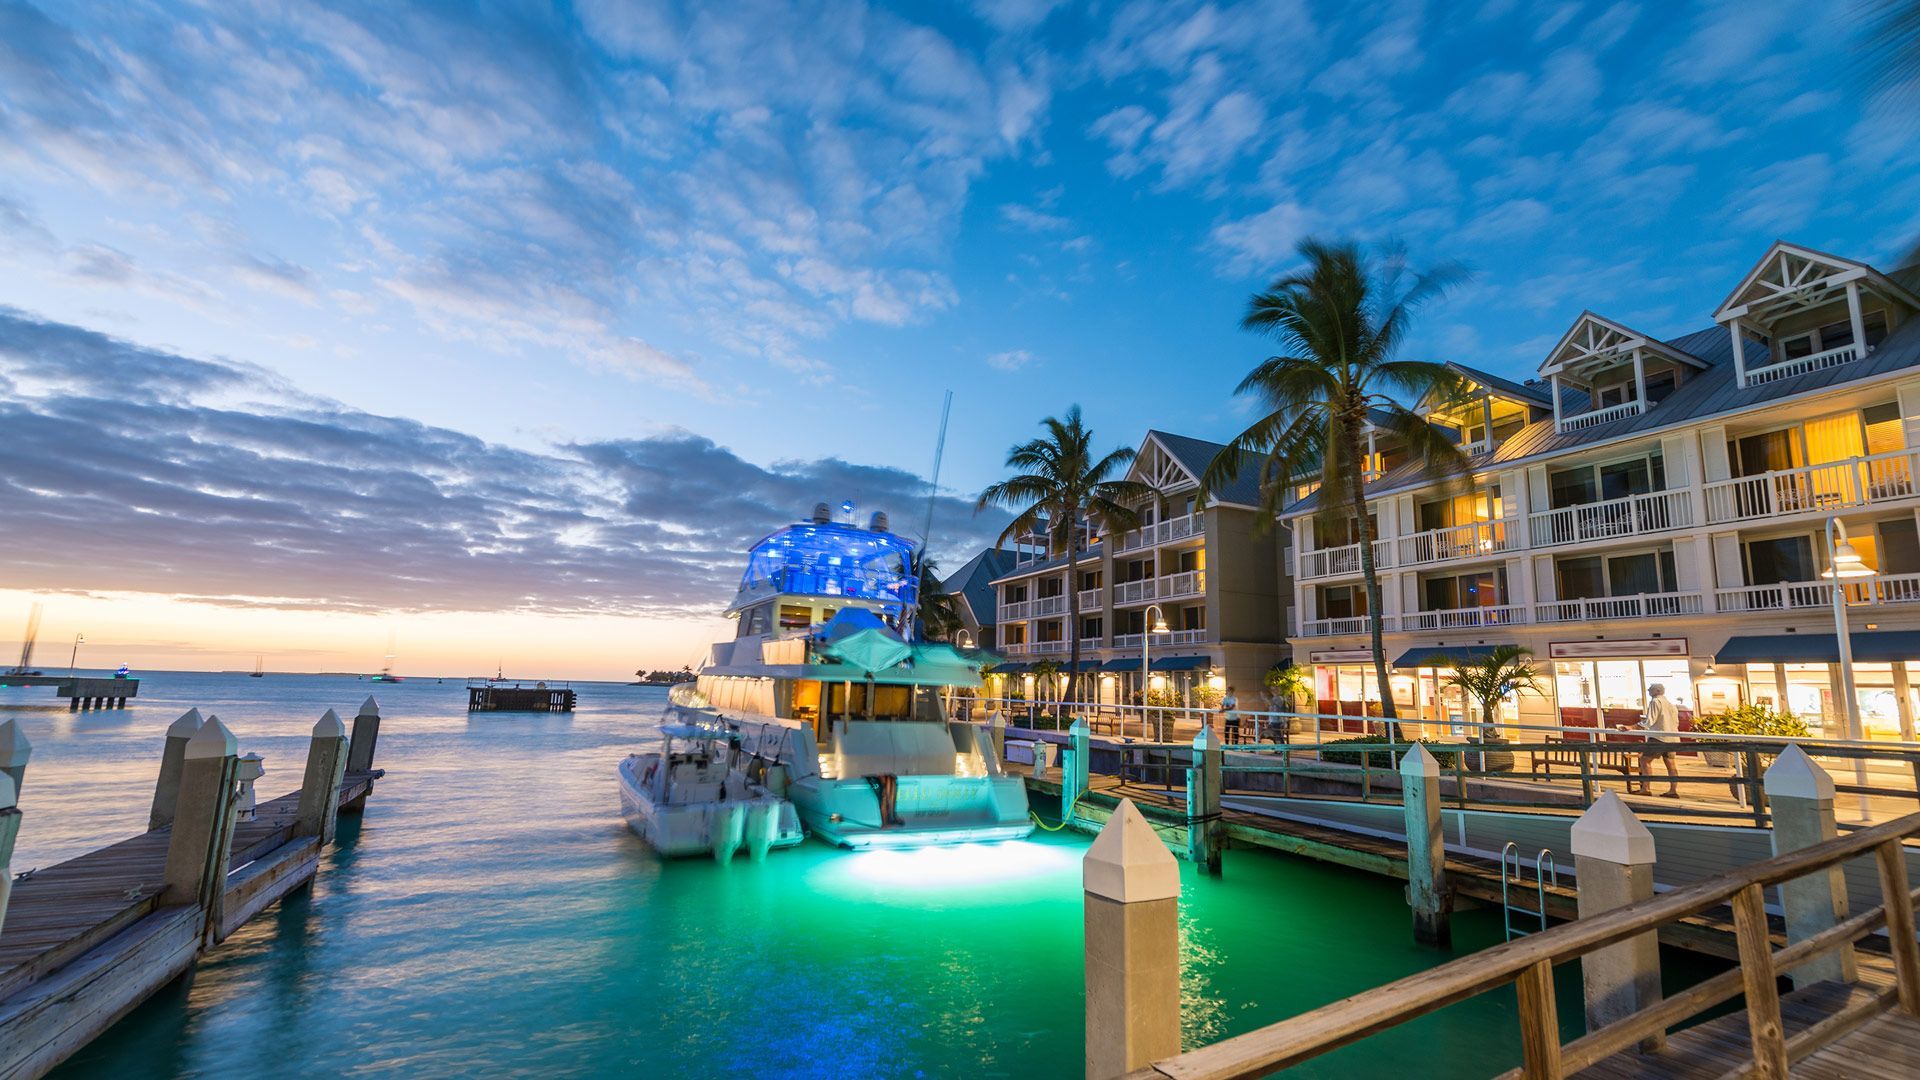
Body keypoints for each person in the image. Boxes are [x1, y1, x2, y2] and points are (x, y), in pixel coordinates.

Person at [1627, 683, 1681, 798]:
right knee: (1671, 764)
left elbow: (1649, 721)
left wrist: (1632, 727)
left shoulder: (1655, 702)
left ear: (1656, 691)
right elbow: (1676, 723)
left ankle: (1646, 788)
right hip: (1672, 737)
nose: (1648, 690)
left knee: (1645, 760)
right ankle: (1673, 790)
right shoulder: (1671, 705)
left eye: (1650, 689)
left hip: (1658, 737)